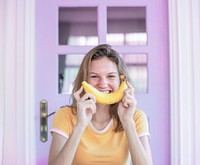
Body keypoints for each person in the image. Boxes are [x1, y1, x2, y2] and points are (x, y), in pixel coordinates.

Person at [48, 44, 153, 165]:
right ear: (84, 81)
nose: (103, 84)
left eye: (111, 76)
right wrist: (80, 125)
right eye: (94, 76)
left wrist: (128, 123)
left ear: (121, 81)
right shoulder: (65, 115)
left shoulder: (135, 117)